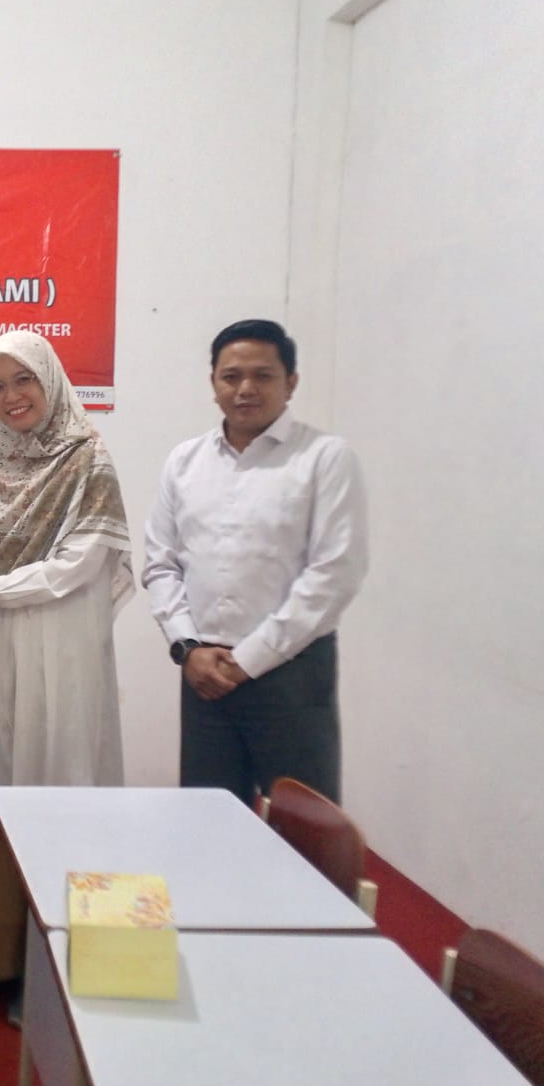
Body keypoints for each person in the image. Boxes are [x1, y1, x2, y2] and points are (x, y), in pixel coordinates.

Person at [0, 330, 132, 1003]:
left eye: (24, 380)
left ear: (50, 379)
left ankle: (54, 974)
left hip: (54, 647)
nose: (11, 396)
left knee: (52, 785)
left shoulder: (87, 460)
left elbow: (78, 566)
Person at [143, 319, 368, 805]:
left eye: (263, 376)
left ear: (291, 382)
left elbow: (334, 575)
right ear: (213, 383)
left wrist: (248, 661)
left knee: (301, 824)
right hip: (203, 672)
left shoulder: (325, 458)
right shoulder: (184, 462)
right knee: (207, 816)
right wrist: (187, 648)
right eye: (231, 376)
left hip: (291, 673)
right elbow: (160, 563)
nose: (245, 388)